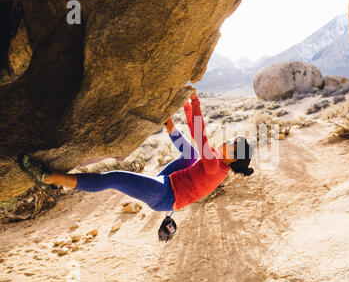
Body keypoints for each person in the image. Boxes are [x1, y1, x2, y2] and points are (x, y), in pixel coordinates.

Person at [19, 86, 254, 239]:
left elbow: (200, 133)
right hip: (171, 181)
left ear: (233, 157)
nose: (227, 141)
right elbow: (196, 137)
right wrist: (183, 103)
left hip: (166, 195)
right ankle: (167, 122)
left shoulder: (215, 166)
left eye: (232, 143)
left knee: (113, 178)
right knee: (192, 155)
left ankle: (51, 178)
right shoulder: (217, 160)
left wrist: (193, 101)